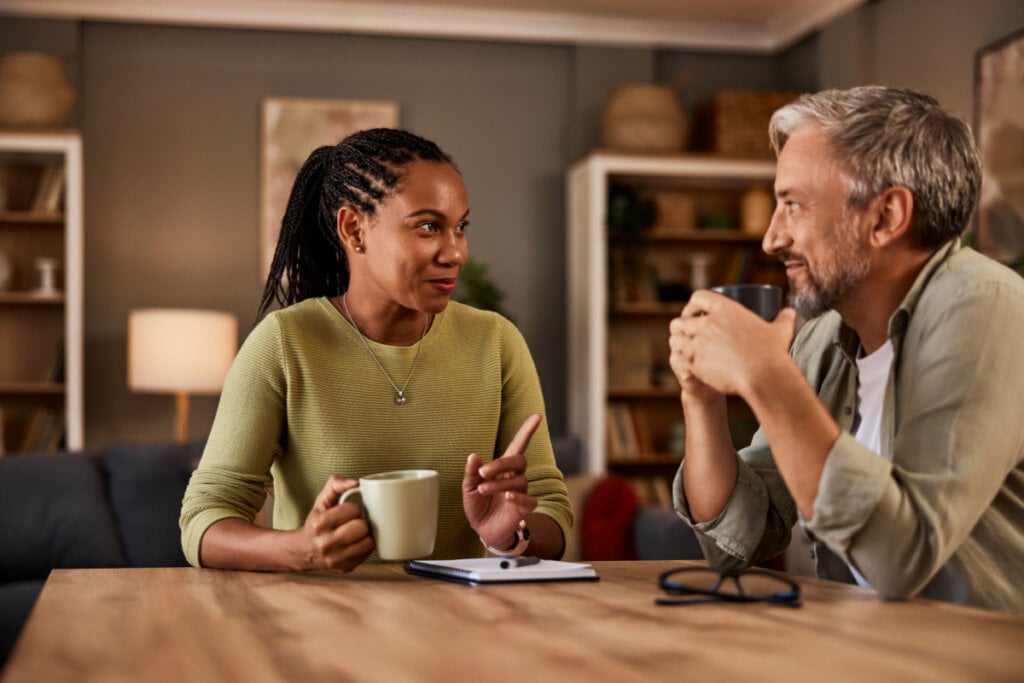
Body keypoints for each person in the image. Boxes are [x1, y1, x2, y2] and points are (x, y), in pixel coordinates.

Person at [668, 86, 1024, 612]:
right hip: (864, 649)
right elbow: (739, 538)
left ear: (886, 217)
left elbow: (904, 554)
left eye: (792, 205)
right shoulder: (824, 333)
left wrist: (767, 377)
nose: (771, 238)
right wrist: (700, 398)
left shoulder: (987, 307)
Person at [180, 128, 571, 571]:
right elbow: (203, 521)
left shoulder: (496, 342)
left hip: (465, 627)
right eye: (428, 227)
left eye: (460, 227)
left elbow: (552, 512)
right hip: (319, 627)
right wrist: (299, 548)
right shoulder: (284, 344)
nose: (456, 252)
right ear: (354, 229)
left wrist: (510, 537)